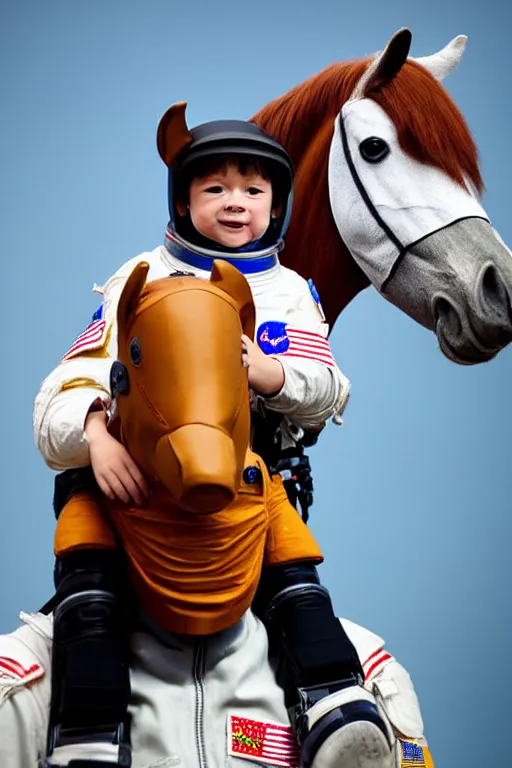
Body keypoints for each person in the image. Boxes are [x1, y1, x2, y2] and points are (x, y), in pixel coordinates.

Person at [33, 102, 394, 768]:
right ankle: (87, 723)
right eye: (215, 189)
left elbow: (329, 388)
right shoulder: (136, 282)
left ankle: (328, 699)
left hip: (245, 493)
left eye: (254, 190)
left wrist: (270, 372)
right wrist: (95, 434)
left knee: (295, 583)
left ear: (277, 206)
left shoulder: (287, 294)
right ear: (181, 200)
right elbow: (71, 379)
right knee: (89, 576)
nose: (236, 203)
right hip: (135, 492)